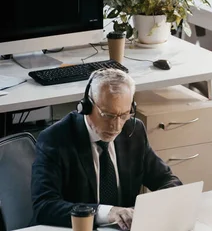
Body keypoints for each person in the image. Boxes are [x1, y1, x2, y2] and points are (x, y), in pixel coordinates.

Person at [31, 69, 182, 229]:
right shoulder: (55, 139)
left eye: (124, 115)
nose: (116, 126)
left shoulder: (134, 131)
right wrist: (107, 213)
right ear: (86, 106)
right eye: (107, 115)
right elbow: (44, 206)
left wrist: (149, 209)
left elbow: (169, 181)